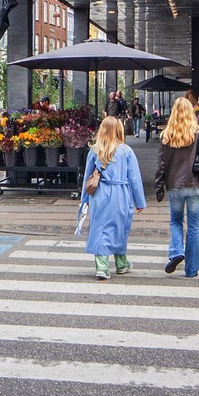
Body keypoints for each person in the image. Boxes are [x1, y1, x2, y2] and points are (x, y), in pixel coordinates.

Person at [155, 97, 199, 277]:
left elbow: (161, 164)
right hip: (195, 185)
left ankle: (176, 251)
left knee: (175, 221)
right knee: (193, 227)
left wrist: (159, 187)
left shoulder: (167, 135)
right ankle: (191, 269)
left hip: (174, 185)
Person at [80, 116, 146, 279]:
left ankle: (102, 266)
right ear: (118, 129)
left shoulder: (95, 150)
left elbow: (87, 177)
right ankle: (121, 263)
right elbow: (135, 178)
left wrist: (84, 200)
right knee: (120, 227)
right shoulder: (126, 151)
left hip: (100, 193)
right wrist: (139, 201)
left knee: (100, 227)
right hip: (120, 192)